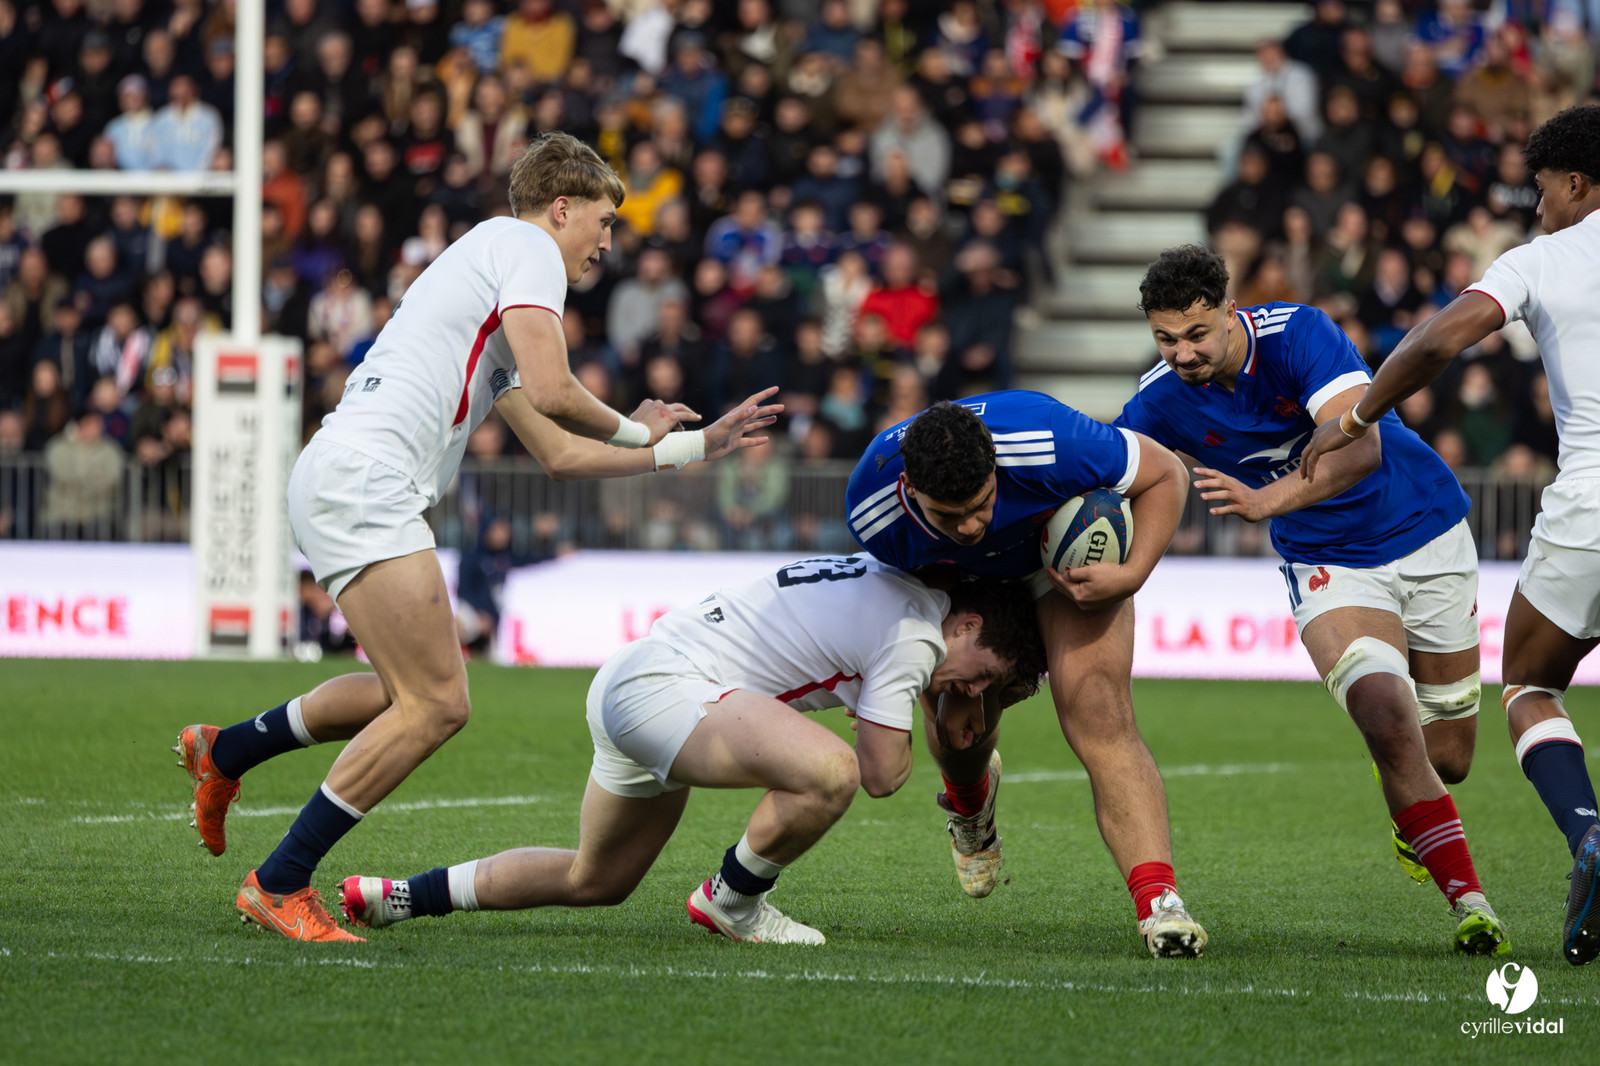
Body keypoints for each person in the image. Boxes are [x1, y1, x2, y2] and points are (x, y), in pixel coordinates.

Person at [174, 132, 783, 943]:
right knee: (437, 705)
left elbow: (562, 455)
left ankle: (230, 753)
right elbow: (560, 392)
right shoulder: (526, 244)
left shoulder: (489, 274)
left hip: (345, 474)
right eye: (602, 222)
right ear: (560, 207)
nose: (606, 244)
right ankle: (280, 880)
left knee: (403, 694)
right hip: (367, 480)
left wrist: (687, 449)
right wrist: (643, 435)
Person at [1117, 245, 1509, 957]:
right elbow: (1113, 470)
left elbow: (1359, 452)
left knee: (1446, 758)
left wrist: (1267, 499)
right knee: (1386, 714)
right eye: (1165, 339)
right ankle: (1473, 906)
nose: (1182, 353)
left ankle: (1406, 797)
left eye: (1196, 334)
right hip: (1328, 562)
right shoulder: (1157, 401)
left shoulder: (1299, 334)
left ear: (1228, 314)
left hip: (1425, 527)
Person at [337, 556, 1045, 944]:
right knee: (832, 772)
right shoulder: (917, 635)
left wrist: (951, 700)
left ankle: (401, 895)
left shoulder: (895, 583)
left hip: (636, 680)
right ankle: (733, 901)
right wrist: (943, 706)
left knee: (597, 879)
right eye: (980, 676)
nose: (970, 692)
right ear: (969, 622)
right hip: (669, 688)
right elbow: (884, 774)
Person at [1301, 105, 1600, 966]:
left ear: (1575, 184)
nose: (1536, 210)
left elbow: (1436, 341)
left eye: (1543, 192)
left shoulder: (1542, 259)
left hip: (1588, 506)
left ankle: (1587, 833)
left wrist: (1359, 413)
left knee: (1533, 682)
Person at [845, 393, 1208, 958]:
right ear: (911, 491)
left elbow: (1166, 474)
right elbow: (896, 606)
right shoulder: (872, 509)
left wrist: (1132, 574)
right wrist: (883, 676)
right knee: (953, 722)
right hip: (961, 585)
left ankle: (1161, 904)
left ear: (995, 466)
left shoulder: (1049, 439)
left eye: (981, 503)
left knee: (1097, 710)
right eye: (949, 514)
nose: (969, 525)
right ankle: (970, 805)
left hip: (1058, 562)